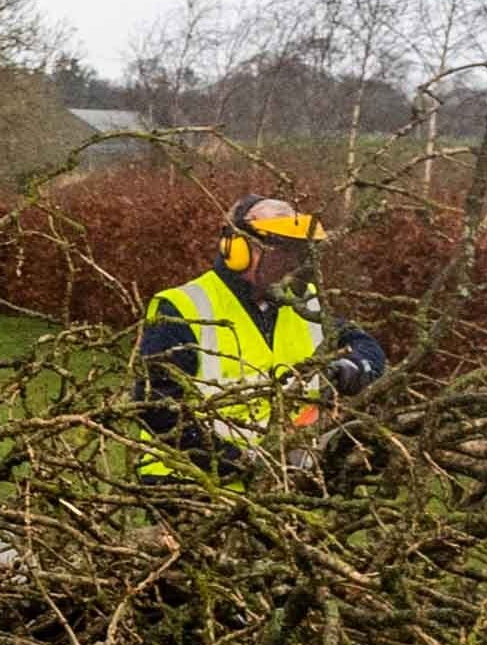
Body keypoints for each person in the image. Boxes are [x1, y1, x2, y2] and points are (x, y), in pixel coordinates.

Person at [139, 193, 388, 479]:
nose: (288, 261)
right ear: (236, 247)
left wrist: (350, 368)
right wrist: (239, 462)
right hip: (189, 482)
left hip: (280, 482)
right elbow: (157, 407)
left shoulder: (303, 303)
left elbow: (366, 347)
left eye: (295, 250)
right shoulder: (185, 306)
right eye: (278, 249)